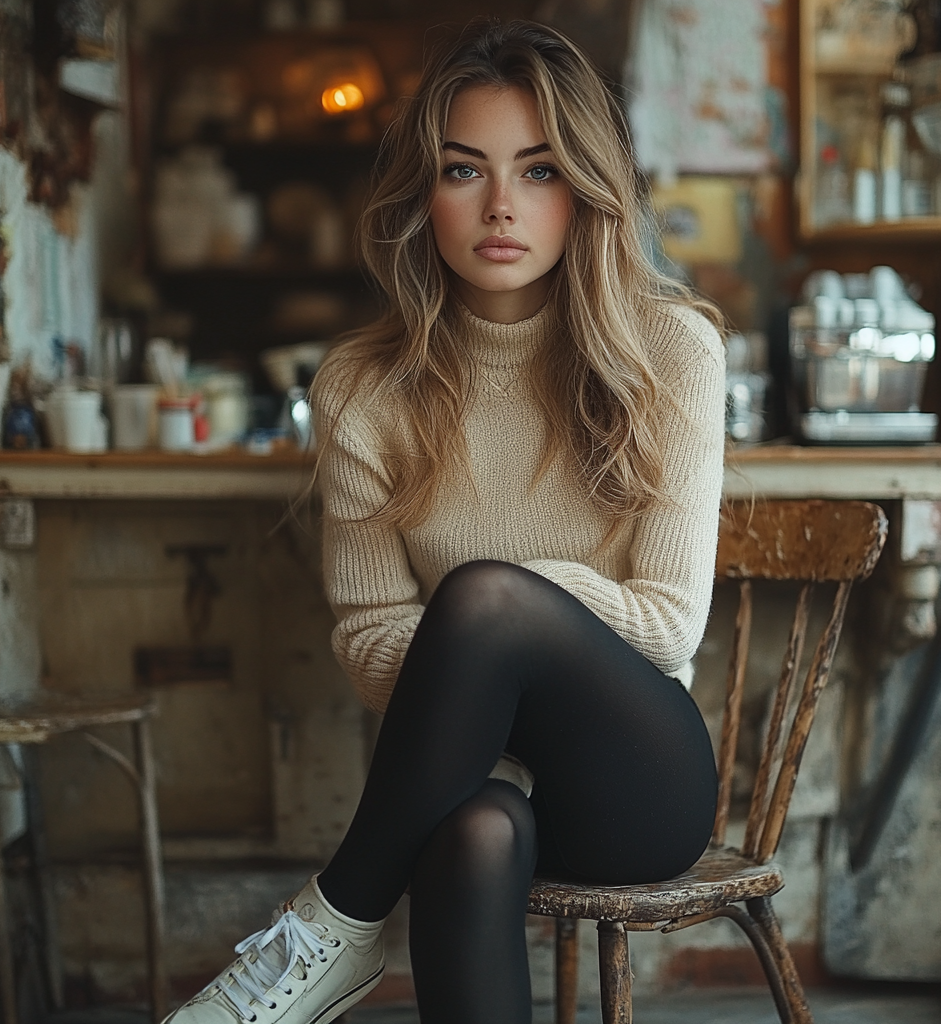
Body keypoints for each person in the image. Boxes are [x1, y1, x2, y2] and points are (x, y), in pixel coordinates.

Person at [165, 18, 725, 1024]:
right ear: (424, 190)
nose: (501, 205)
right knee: (470, 832)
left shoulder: (669, 353)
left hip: (639, 776)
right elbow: (371, 638)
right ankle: (342, 933)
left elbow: (668, 621)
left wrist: (500, 628)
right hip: (467, 781)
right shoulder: (361, 385)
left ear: (589, 189)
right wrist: (478, 677)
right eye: (465, 170)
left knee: (488, 595)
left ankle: (335, 925)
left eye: (540, 170)